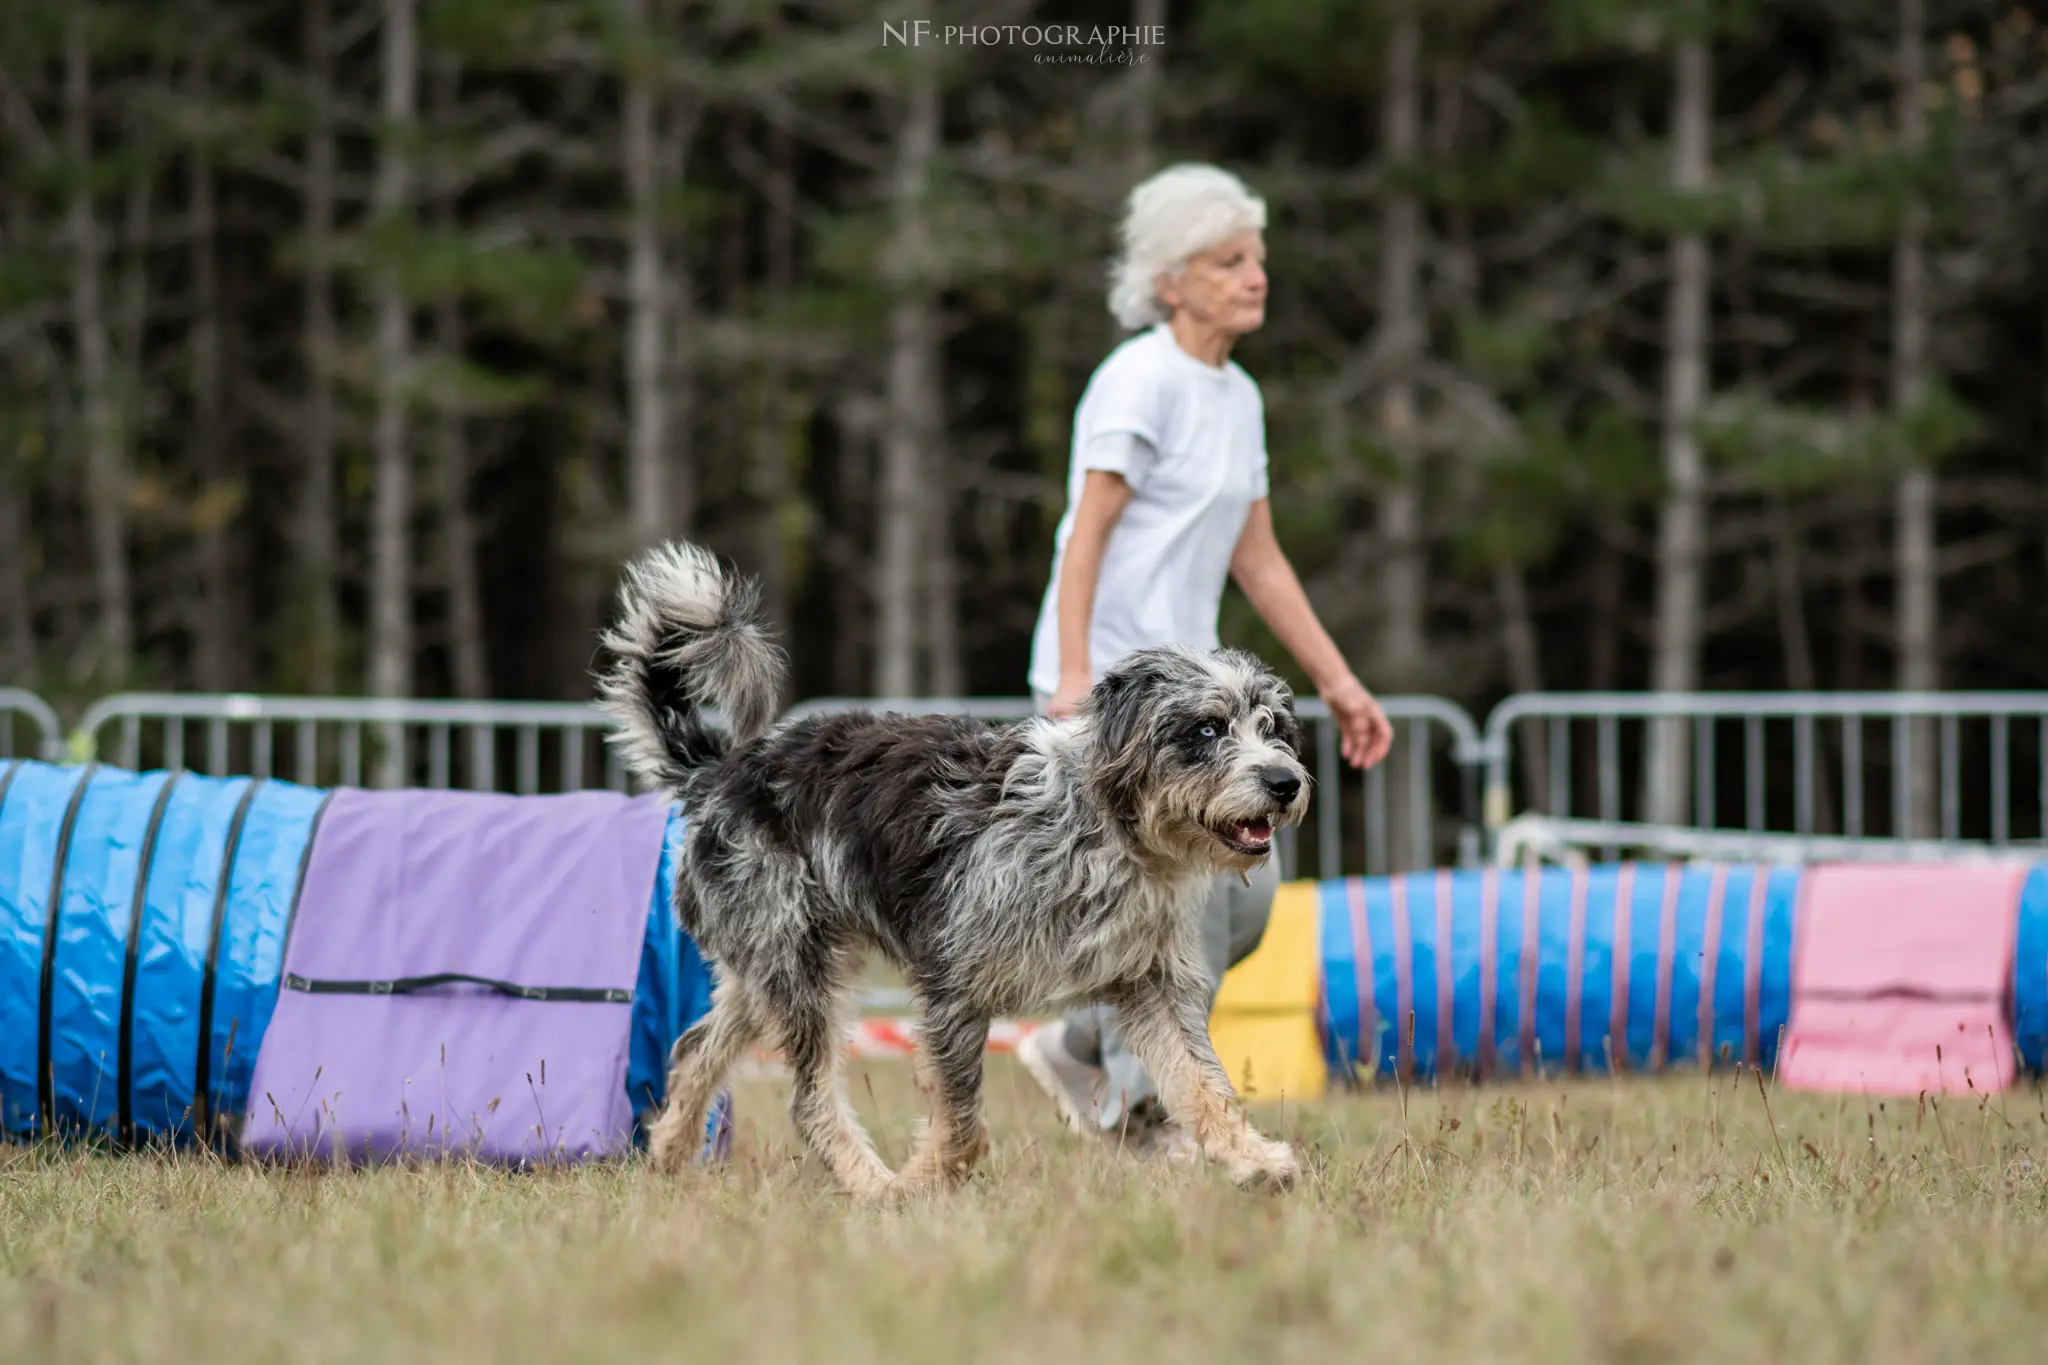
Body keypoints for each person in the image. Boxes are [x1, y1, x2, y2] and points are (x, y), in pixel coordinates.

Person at [1016, 162, 1395, 1152]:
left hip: (1194, 695)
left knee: (1248, 899)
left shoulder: (1238, 397)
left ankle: (1074, 1047)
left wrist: (1337, 681)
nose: (1253, 276)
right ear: (1169, 279)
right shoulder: (1136, 379)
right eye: (1229, 261)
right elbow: (1082, 534)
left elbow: (1256, 554)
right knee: (1171, 908)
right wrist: (1066, 679)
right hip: (1108, 694)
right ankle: (1153, 1115)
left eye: (1257, 258)